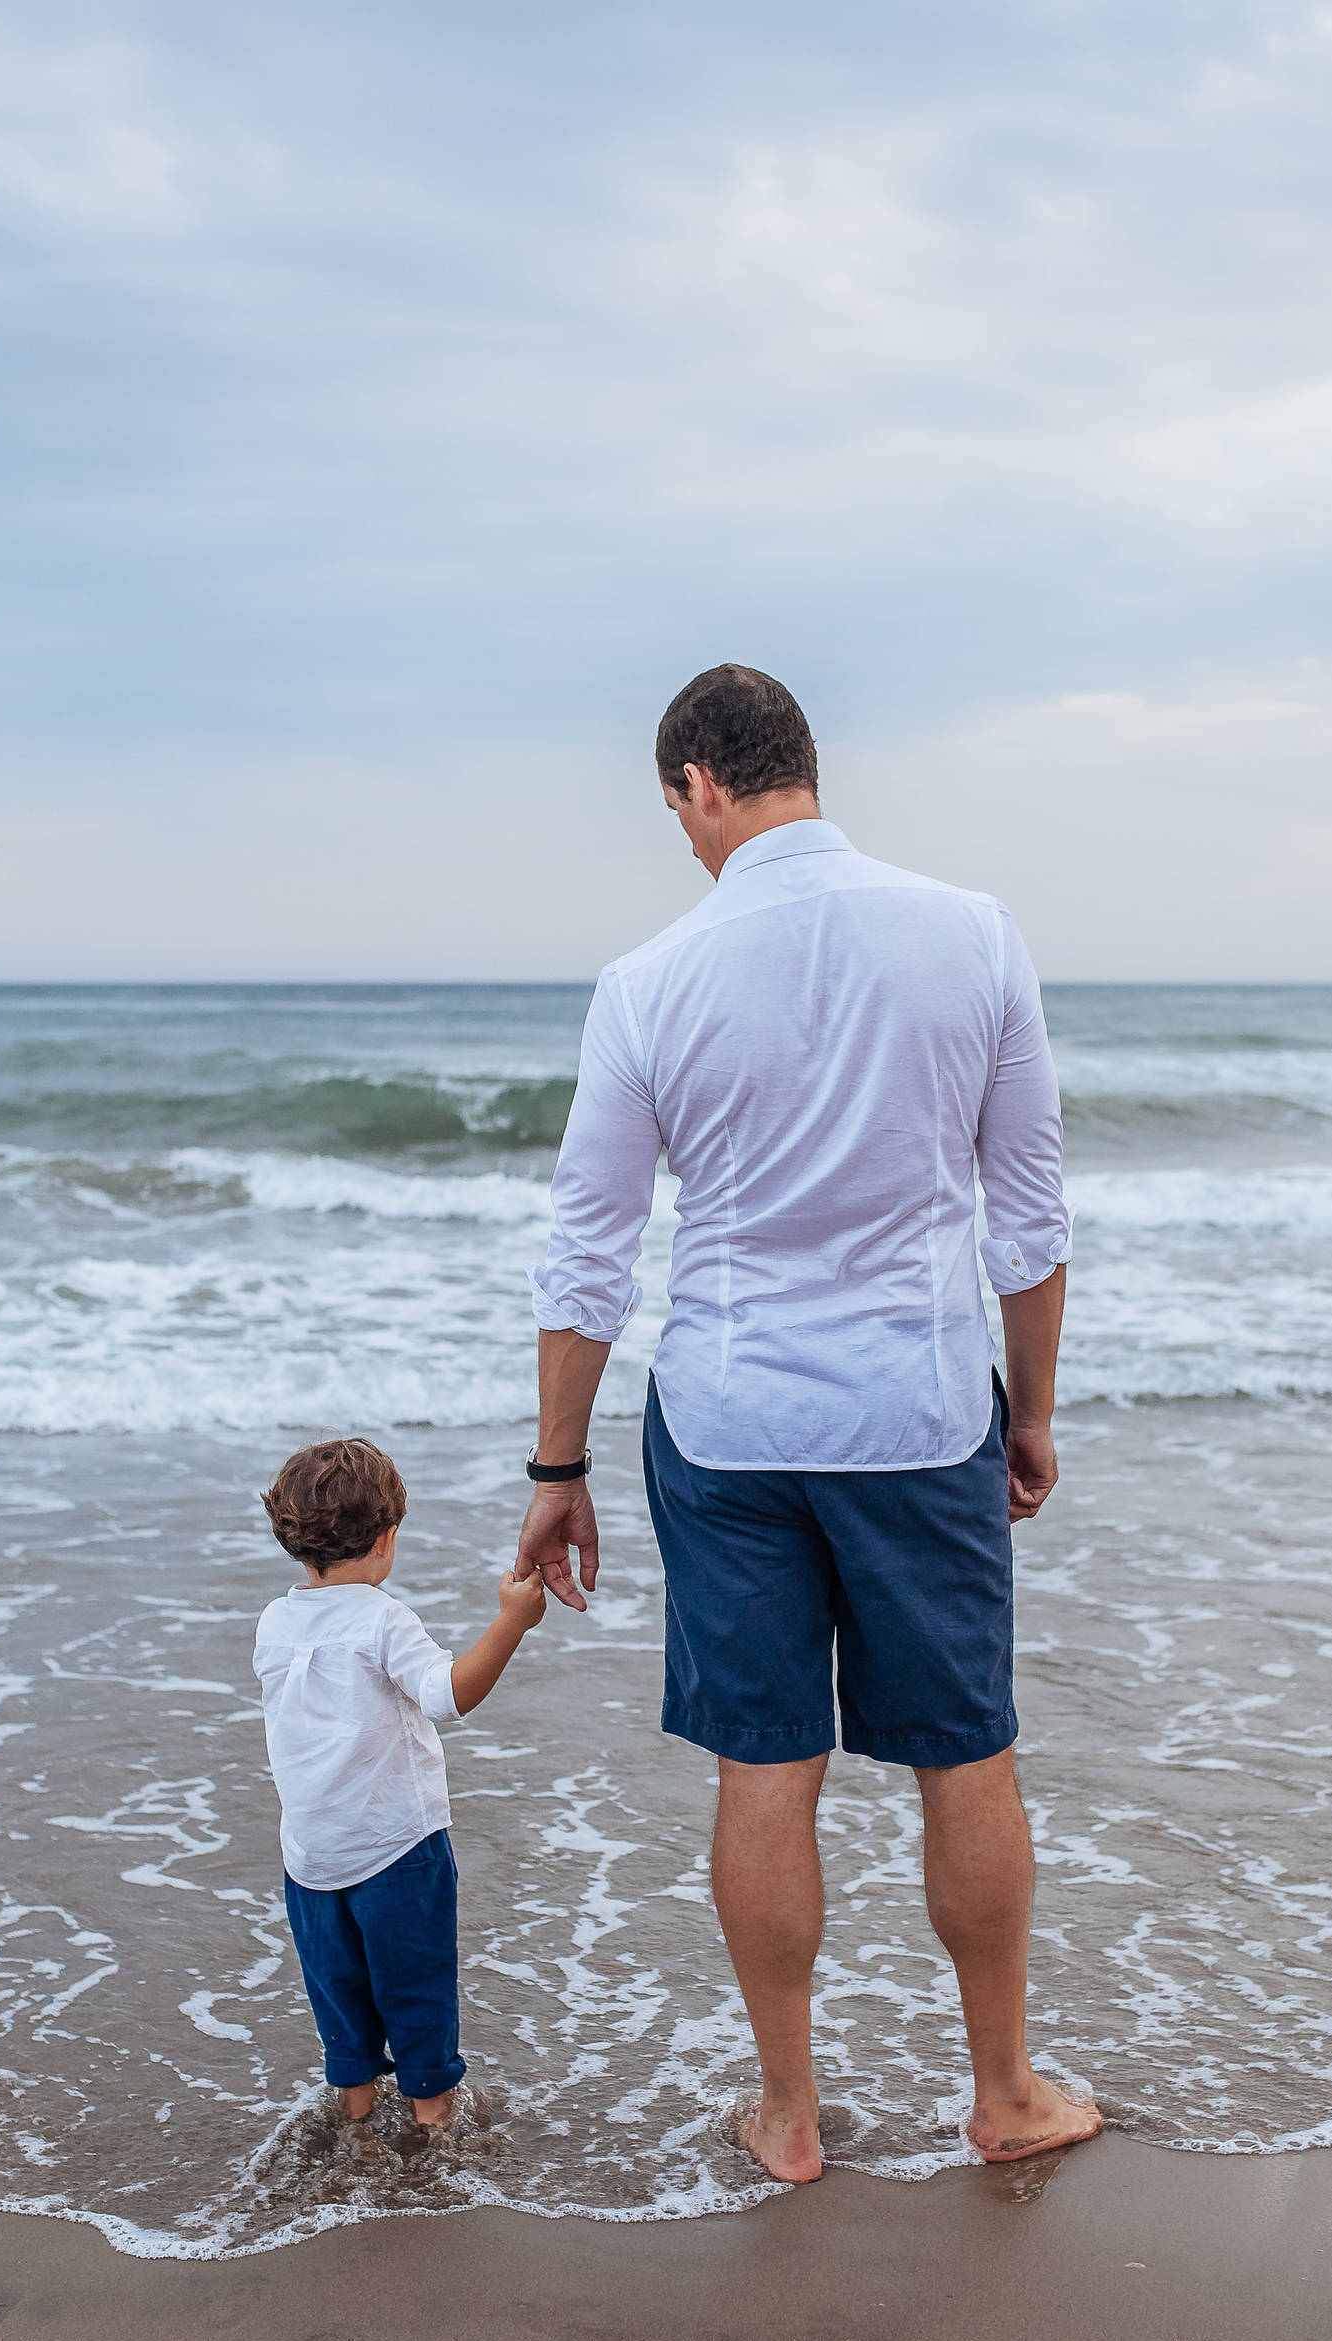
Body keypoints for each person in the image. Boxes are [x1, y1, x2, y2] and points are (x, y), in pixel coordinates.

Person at [516, 663, 1101, 2184]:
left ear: (699, 787)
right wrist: (1027, 1415)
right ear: (801, 768)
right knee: (964, 1755)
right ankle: (1005, 2095)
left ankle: (787, 2114)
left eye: (678, 817)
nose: (687, 844)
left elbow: (588, 1252)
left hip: (725, 1424)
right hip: (919, 1413)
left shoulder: (650, 981)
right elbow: (1029, 1224)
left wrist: (558, 1467)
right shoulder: (972, 935)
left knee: (764, 1769)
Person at [256, 1437, 545, 2131]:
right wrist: (512, 1621)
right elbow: (448, 1695)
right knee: (416, 1996)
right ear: (386, 1538)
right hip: (395, 1848)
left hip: (310, 1857)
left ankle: (355, 2122)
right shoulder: (382, 1619)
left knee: (341, 2001)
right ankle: (432, 2125)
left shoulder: (274, 1622)